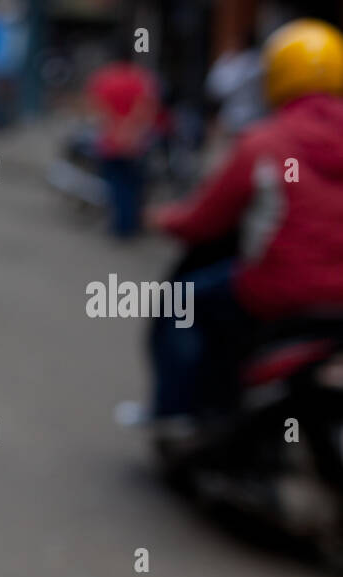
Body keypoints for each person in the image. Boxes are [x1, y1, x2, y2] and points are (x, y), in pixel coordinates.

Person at [146, 18, 343, 420]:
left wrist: (167, 220)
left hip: (279, 292)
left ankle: (177, 415)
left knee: (180, 302)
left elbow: (204, 220)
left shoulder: (266, 142)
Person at [85, 54, 161, 238]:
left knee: (116, 185)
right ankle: (132, 224)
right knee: (134, 184)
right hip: (136, 141)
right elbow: (146, 107)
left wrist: (115, 130)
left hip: (110, 141)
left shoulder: (104, 78)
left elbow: (97, 108)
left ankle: (121, 225)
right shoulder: (142, 77)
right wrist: (131, 131)